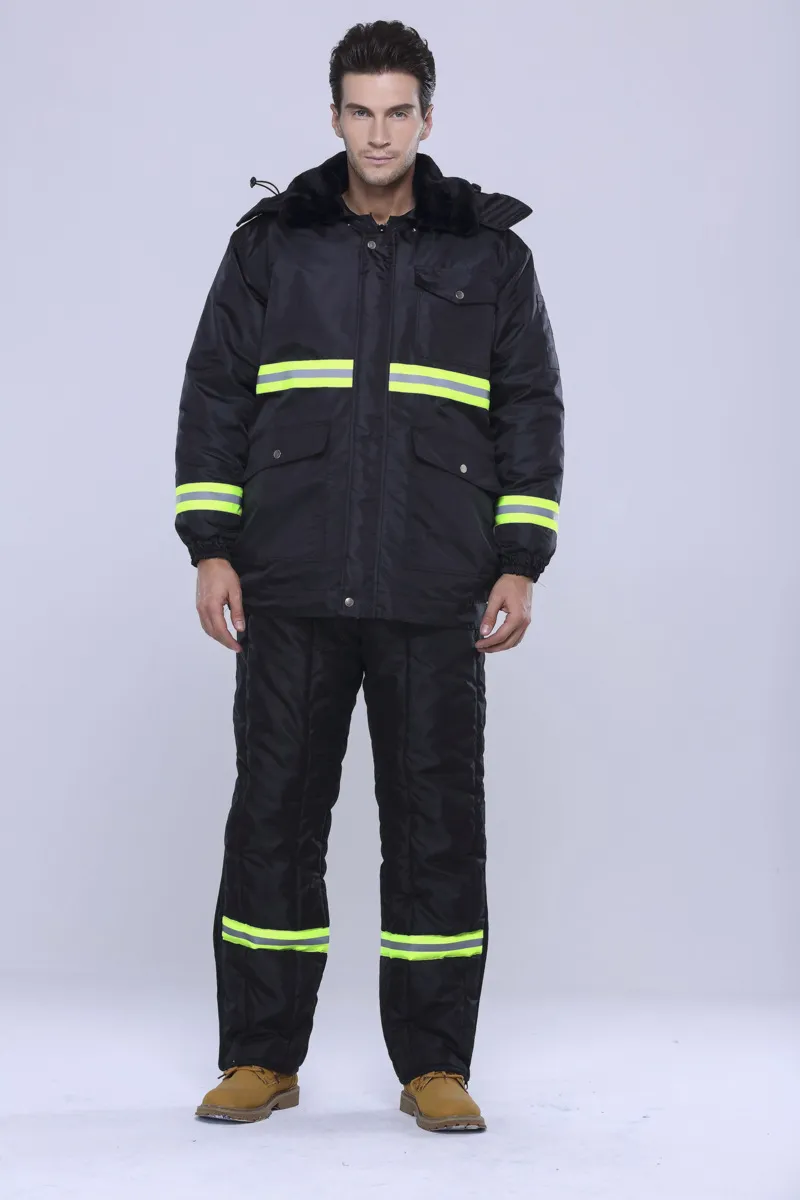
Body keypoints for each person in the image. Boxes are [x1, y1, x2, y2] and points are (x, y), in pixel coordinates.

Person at [174, 19, 564, 1133]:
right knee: (273, 820)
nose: (379, 133)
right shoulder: (273, 246)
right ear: (336, 116)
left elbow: (529, 410)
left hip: (434, 588)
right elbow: (215, 393)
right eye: (361, 111)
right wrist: (212, 545)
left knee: (436, 825)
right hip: (290, 581)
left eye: (399, 112)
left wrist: (519, 562)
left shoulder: (489, 256)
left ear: (427, 118)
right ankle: (261, 1056)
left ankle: (434, 1065)